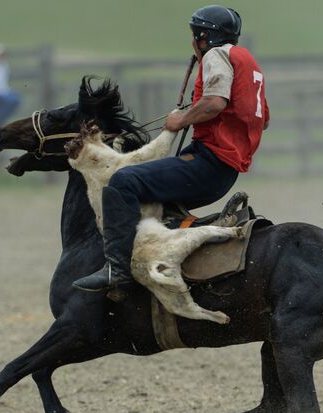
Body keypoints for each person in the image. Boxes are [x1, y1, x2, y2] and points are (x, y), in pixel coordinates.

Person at [73, 5, 270, 293]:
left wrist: (182, 120)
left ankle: (116, 271)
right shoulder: (249, 63)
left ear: (206, 37)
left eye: (195, 36)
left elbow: (216, 102)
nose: (193, 42)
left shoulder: (217, 55)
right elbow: (263, 119)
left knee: (123, 182)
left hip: (209, 163)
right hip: (223, 170)